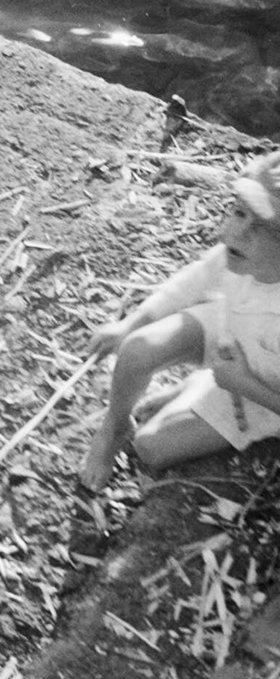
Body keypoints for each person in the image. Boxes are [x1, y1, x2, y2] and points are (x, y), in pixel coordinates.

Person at [78, 150, 280, 491]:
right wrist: (132, 323)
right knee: (137, 349)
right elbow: (193, 281)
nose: (231, 231)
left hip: (262, 392)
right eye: (238, 212)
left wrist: (239, 381)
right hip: (231, 333)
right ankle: (114, 426)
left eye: (261, 229)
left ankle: (202, 387)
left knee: (150, 448)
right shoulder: (238, 257)